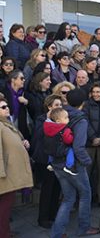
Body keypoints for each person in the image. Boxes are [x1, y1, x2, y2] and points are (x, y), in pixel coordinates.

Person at [51, 89, 99, 237]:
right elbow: (78, 147)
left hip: (57, 162)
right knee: (85, 194)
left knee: (68, 198)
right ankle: (84, 228)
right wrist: (87, 161)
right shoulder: (80, 120)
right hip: (73, 164)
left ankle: (57, 233)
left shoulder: (58, 114)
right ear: (83, 103)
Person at [0, 96, 33, 238]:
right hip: (5, 173)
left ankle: (5, 231)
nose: (7, 108)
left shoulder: (7, 123)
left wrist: (22, 142)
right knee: (5, 206)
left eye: (6, 106)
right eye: (2, 107)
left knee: (7, 205)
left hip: (11, 171)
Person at [31, 94, 63, 229]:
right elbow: (38, 135)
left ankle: (53, 215)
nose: (59, 108)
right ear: (49, 106)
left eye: (60, 105)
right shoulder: (41, 119)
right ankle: (43, 218)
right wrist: (49, 120)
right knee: (47, 189)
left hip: (58, 158)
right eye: (56, 105)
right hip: (46, 159)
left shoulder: (63, 119)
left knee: (57, 188)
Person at [43, 107, 77, 175]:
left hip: (49, 149)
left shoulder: (47, 126)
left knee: (50, 153)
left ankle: (50, 163)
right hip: (60, 149)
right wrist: (72, 136)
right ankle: (69, 166)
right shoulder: (65, 129)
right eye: (66, 118)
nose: (68, 119)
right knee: (70, 150)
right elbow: (68, 140)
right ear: (58, 121)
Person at [0, 69, 30, 139]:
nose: (24, 80)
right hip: (7, 126)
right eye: (21, 78)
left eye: (24, 78)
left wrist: (26, 102)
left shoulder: (25, 93)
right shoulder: (3, 93)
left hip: (21, 127)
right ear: (13, 80)